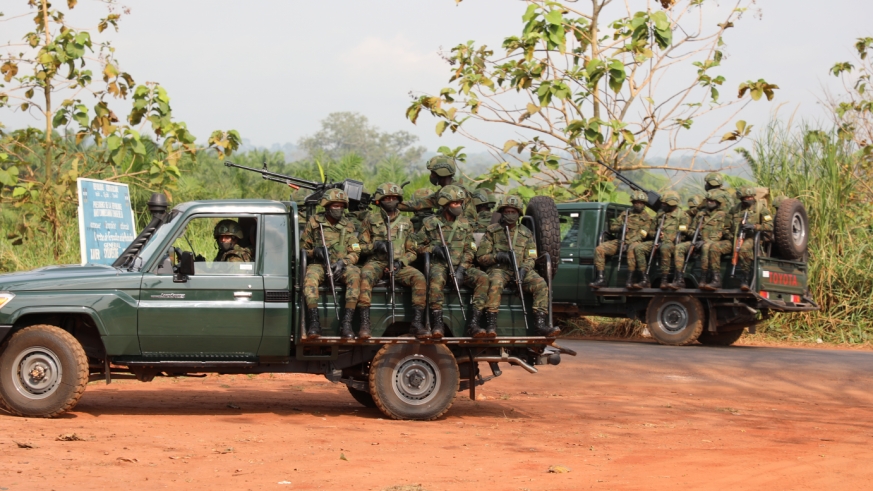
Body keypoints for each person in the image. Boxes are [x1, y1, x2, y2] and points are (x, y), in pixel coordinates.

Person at [476, 195, 558, 337]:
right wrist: (498, 256)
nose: (509, 215)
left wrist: (523, 270)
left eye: (513, 212)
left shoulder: (526, 233)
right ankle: (491, 325)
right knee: (495, 283)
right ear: (501, 213)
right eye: (506, 212)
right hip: (499, 269)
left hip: (521, 269)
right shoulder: (492, 231)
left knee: (541, 284)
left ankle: (540, 325)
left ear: (519, 213)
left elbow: (531, 257)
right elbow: (481, 257)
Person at [416, 185, 490, 338]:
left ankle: (474, 324)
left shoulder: (465, 224)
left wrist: (461, 270)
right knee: (435, 281)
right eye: (455, 203)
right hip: (439, 265)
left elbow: (471, 249)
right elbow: (416, 246)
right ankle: (438, 324)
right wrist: (432, 249)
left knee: (483, 278)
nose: (459, 206)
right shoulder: (430, 223)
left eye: (460, 203)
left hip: (461, 265)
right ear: (444, 203)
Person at [357, 182, 427, 339]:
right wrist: (375, 246)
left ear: (399, 199)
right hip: (377, 262)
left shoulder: (406, 222)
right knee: (365, 275)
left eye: (393, 198)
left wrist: (400, 262)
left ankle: (416, 323)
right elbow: (359, 247)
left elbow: (412, 251)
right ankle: (365, 324)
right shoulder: (370, 219)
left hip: (398, 265)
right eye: (386, 198)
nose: (390, 200)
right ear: (379, 200)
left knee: (419, 278)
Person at [301, 189, 362, 339]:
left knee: (355, 276)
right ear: (327, 206)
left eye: (341, 206)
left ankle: (346, 324)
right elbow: (303, 249)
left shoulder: (348, 225)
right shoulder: (315, 222)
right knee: (310, 279)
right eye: (335, 206)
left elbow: (356, 251)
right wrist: (314, 252)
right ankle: (314, 323)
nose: (338, 209)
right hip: (319, 265)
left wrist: (343, 262)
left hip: (342, 266)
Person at [589, 191, 656, 289]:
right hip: (620, 241)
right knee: (600, 249)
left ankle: (629, 280)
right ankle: (601, 278)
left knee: (632, 249)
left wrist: (628, 242)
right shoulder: (626, 214)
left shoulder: (647, 218)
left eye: (640, 202)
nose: (638, 204)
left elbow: (643, 234)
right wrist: (620, 228)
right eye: (636, 202)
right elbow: (612, 227)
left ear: (644, 204)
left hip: (635, 242)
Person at [631, 191, 688, 289]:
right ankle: (644, 279)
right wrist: (657, 234)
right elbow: (651, 231)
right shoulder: (660, 214)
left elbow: (683, 235)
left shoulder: (682, 215)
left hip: (672, 243)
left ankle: (664, 280)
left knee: (665, 248)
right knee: (639, 248)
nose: (662, 205)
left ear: (671, 203)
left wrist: (667, 237)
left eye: (664, 203)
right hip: (657, 241)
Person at [398, 155, 477, 222]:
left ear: (440, 173)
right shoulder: (452, 189)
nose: (431, 176)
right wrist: (395, 203)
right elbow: (420, 203)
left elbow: (419, 204)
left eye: (432, 173)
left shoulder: (451, 192)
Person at [730, 186, 774, 291]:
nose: (748, 200)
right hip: (736, 237)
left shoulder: (761, 209)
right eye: (745, 198)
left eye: (750, 198)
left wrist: (754, 226)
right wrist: (731, 235)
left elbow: (770, 226)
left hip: (753, 237)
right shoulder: (735, 209)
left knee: (744, 249)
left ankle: (745, 279)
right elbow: (726, 226)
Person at [696, 190, 733, 290]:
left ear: (718, 202)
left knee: (709, 246)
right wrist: (696, 235)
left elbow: (725, 230)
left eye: (712, 201)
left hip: (718, 242)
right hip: (702, 241)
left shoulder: (725, 215)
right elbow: (690, 230)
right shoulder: (701, 214)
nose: (709, 202)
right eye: (708, 200)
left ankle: (714, 279)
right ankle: (703, 278)